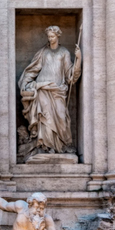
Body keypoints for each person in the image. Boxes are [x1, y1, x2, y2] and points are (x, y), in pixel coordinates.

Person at [19, 26, 82, 156]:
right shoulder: (43, 52)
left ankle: (62, 146)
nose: (50, 39)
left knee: (61, 117)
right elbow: (33, 70)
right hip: (43, 89)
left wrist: (78, 59)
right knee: (45, 118)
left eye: (52, 36)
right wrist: (25, 83)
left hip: (58, 90)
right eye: (49, 36)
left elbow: (70, 75)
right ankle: (46, 146)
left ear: (58, 36)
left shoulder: (64, 52)